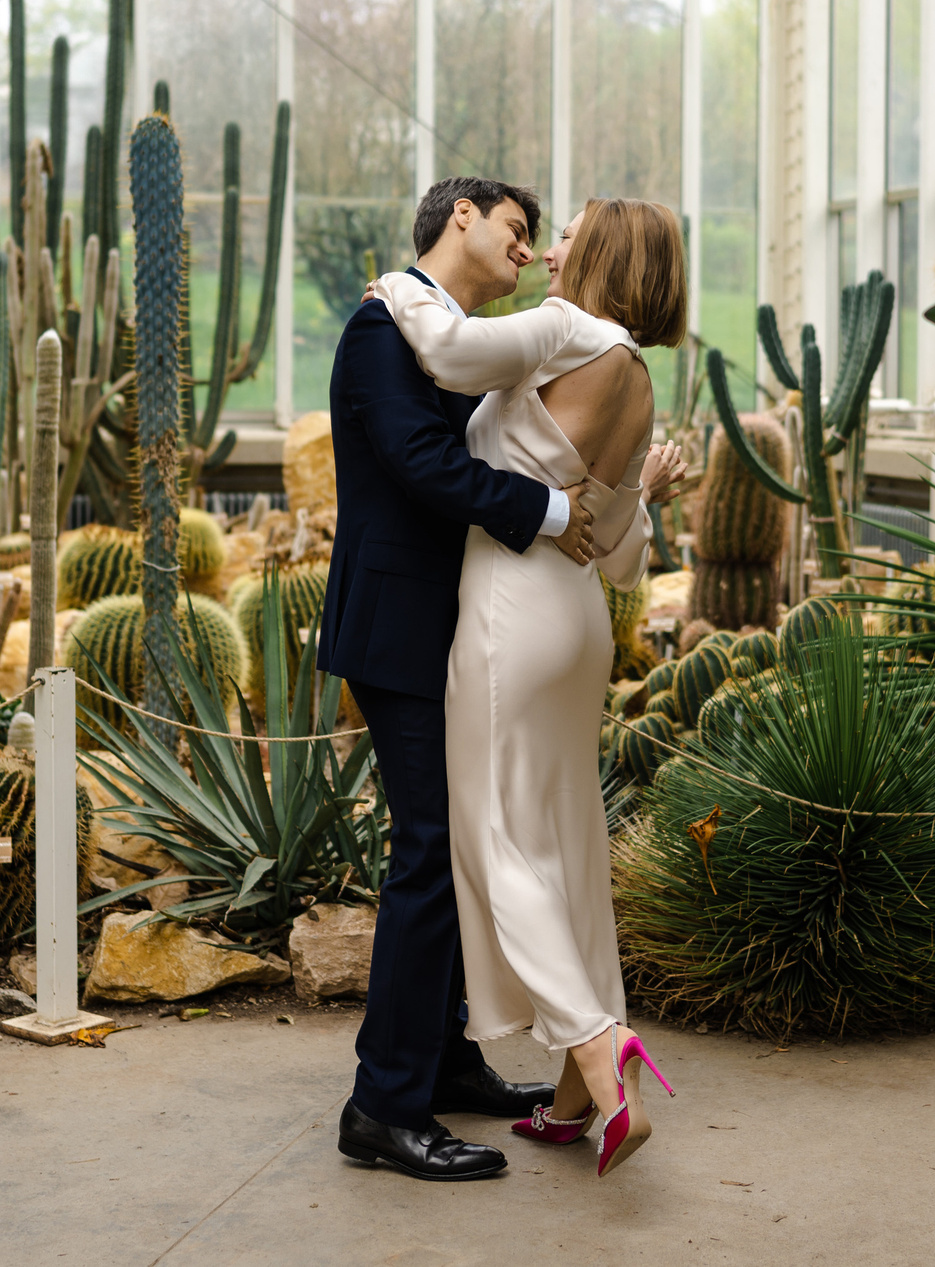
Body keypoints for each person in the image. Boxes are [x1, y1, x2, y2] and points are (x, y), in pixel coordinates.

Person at [364, 197, 690, 1179]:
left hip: (512, 611)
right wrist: (643, 491)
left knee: (497, 836)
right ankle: (575, 1096)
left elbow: (450, 354)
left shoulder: (563, 328)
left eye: (569, 233)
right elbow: (621, 557)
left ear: (603, 252)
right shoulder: (635, 374)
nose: (549, 250)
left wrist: (399, 291)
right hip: (579, 620)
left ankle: (595, 1044)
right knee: (568, 837)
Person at [319, 175, 601, 1184]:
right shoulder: (380, 330)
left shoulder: (455, 341)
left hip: (454, 632)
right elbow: (422, 464)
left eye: (535, 240)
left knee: (460, 846)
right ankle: (382, 1106)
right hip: (399, 632)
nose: (526, 250)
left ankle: (442, 1061)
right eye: (516, 230)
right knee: (432, 850)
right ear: (461, 218)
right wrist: (556, 515)